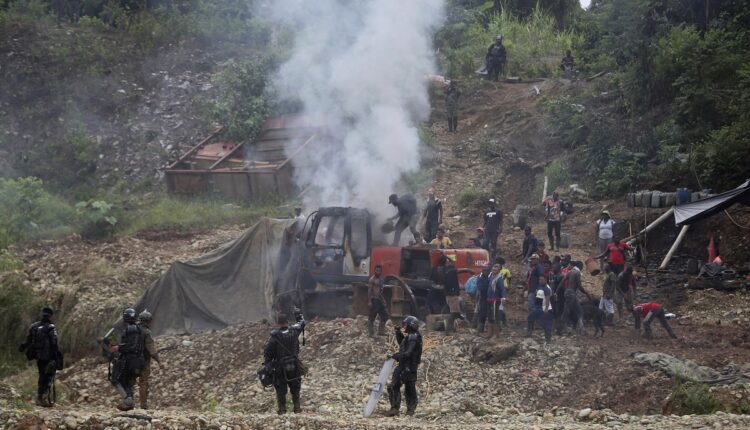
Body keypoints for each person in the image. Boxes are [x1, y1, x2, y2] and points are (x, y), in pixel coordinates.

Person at [263, 309, 306, 414]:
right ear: (287, 321)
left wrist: (268, 364)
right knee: (295, 388)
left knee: (281, 390)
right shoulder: (294, 331)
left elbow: (267, 352)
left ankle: (282, 410)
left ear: (278, 323)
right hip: (294, 365)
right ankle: (297, 408)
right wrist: (297, 314)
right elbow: (302, 323)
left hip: (280, 367)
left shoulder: (274, 337)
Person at [19, 307, 59, 407]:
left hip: (38, 356)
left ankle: (40, 397)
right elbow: (54, 343)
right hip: (48, 357)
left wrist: (23, 347)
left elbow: (28, 341)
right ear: (50, 316)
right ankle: (43, 398)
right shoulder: (51, 327)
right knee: (48, 376)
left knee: (42, 375)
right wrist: (57, 356)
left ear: (42, 314)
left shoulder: (34, 326)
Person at [385, 316, 423, 417]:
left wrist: (394, 356)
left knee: (393, 386)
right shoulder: (414, 336)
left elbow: (407, 354)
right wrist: (398, 333)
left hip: (405, 366)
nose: (404, 327)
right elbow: (403, 343)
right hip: (412, 367)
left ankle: (394, 409)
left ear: (410, 325)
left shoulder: (413, 337)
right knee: (410, 388)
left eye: (406, 325)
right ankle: (410, 410)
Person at [110, 308, 146, 411]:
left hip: (131, 360)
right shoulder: (139, 329)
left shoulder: (131, 329)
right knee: (129, 382)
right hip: (138, 360)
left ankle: (128, 401)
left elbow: (132, 346)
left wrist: (118, 348)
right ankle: (129, 403)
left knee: (116, 379)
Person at [136, 310, 162, 409]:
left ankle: (127, 401)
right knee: (143, 382)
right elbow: (152, 351)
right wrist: (159, 361)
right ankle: (143, 405)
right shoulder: (147, 332)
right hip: (143, 362)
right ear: (149, 321)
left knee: (129, 381)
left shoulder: (132, 329)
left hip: (129, 360)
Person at [561, 264, 592, 335]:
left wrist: (557, 292)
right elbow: (579, 286)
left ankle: (582, 329)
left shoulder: (570, 272)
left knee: (579, 310)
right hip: (571, 294)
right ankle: (566, 329)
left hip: (569, 292)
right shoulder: (577, 273)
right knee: (567, 312)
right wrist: (587, 294)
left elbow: (562, 282)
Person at [527, 276, 553, 343]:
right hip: (538, 307)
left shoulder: (547, 289)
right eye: (539, 279)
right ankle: (529, 333)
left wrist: (546, 309)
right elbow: (536, 295)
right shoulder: (539, 287)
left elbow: (547, 299)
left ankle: (548, 339)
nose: (540, 281)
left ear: (545, 280)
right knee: (530, 318)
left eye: (542, 279)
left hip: (545, 308)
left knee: (546, 324)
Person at [485, 263, 507, 338]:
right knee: (490, 317)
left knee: (494, 317)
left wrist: (504, 297)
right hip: (489, 299)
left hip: (495, 300)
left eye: (496, 267)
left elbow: (503, 289)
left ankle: (496, 335)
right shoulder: (491, 276)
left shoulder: (499, 279)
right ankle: (489, 334)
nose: (494, 268)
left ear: (499, 270)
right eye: (494, 267)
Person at [368, 265, 389, 337]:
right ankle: (371, 333)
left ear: (381, 271)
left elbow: (380, 292)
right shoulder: (372, 279)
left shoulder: (381, 280)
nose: (378, 272)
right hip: (374, 299)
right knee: (372, 316)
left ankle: (381, 331)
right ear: (374, 271)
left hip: (379, 299)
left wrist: (383, 300)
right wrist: (369, 301)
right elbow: (369, 290)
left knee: (385, 315)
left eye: (379, 271)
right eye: (377, 270)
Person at [443, 257, 462, 333]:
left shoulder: (446, 270)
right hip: (452, 294)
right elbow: (451, 283)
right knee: (454, 312)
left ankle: (452, 328)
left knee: (453, 311)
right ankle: (448, 329)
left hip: (448, 294)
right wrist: (455, 291)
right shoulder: (452, 271)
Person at [474, 264, 492, 334]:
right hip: (483, 298)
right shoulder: (480, 277)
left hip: (491, 298)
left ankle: (491, 331)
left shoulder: (492, 276)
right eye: (484, 270)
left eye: (487, 270)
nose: (485, 272)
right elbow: (479, 288)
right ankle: (480, 329)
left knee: (492, 314)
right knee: (482, 313)